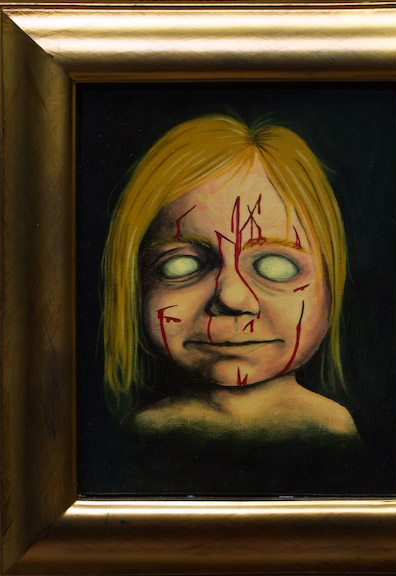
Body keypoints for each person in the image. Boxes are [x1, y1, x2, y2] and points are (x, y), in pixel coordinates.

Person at [102, 114, 358, 442]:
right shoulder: (142, 434)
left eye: (276, 267)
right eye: (180, 265)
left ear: (330, 281)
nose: (232, 298)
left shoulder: (333, 433)